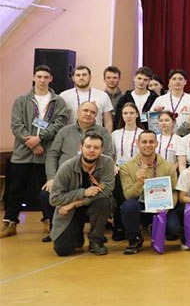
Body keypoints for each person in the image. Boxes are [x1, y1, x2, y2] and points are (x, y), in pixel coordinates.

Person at [2, 65, 69, 239]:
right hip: (23, 152)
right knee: (15, 189)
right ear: (34, 77)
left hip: (46, 153)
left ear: (51, 79)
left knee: (46, 189)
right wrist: (31, 144)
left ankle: (49, 220)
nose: (42, 80)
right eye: (39, 76)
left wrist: (40, 138)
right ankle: (10, 222)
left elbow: (60, 123)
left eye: (46, 77)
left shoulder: (58, 101)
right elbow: (16, 125)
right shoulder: (22, 99)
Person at [44, 102, 115, 232]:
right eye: (85, 110)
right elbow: (53, 154)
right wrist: (52, 177)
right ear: (77, 112)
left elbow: (107, 155)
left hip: (93, 179)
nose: (88, 114)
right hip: (67, 178)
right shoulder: (64, 131)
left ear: (96, 116)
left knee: (104, 201)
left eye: (92, 112)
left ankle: (96, 235)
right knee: (45, 195)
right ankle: (57, 229)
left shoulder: (103, 132)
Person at [47, 133, 116, 256]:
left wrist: (76, 203)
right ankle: (77, 236)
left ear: (101, 150)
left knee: (105, 202)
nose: (91, 150)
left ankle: (96, 241)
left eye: (96, 148)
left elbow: (107, 191)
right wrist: (83, 192)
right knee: (62, 250)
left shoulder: (107, 163)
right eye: (88, 146)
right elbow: (54, 199)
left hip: (91, 205)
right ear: (81, 148)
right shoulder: (67, 167)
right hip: (70, 212)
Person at [119, 131, 181, 254]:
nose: (148, 145)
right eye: (144, 142)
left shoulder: (168, 167)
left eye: (151, 142)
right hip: (140, 206)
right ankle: (135, 239)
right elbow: (128, 195)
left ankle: (155, 228)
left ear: (157, 144)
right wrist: (139, 183)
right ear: (137, 144)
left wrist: (167, 207)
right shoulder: (127, 167)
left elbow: (174, 191)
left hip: (162, 207)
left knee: (173, 229)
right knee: (128, 206)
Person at [59, 65, 114, 131]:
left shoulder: (103, 96)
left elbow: (108, 122)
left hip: (96, 135)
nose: (81, 77)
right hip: (72, 135)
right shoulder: (64, 96)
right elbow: (60, 120)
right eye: (78, 75)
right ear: (73, 78)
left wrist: (107, 136)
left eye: (84, 75)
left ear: (90, 77)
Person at [113, 102, 146, 168]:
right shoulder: (115, 134)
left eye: (131, 113)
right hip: (119, 169)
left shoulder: (143, 134)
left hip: (137, 170)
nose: (128, 116)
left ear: (137, 114)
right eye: (125, 113)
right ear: (122, 115)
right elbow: (112, 155)